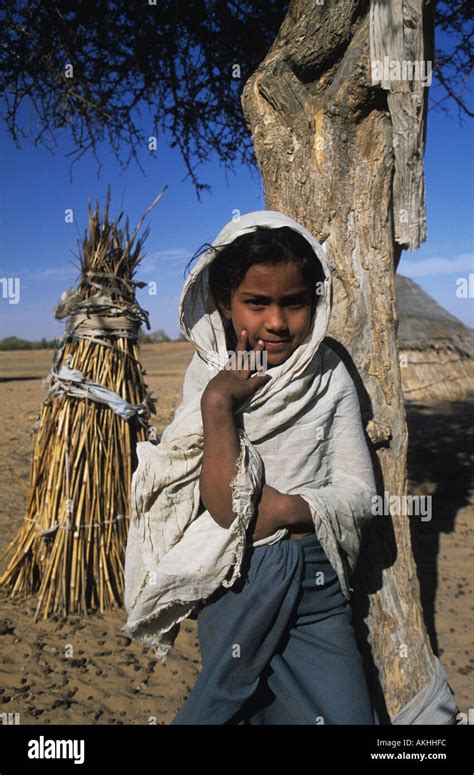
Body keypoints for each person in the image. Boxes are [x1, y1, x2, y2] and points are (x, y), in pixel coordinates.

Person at [122, 210, 379, 725]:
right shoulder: (208, 376)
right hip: (235, 583)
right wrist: (220, 403)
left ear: (315, 301)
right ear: (224, 302)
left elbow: (359, 493)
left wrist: (286, 508)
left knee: (347, 714)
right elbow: (223, 509)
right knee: (232, 709)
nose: (277, 322)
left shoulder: (327, 373)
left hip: (314, 581)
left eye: (294, 302)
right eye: (256, 303)